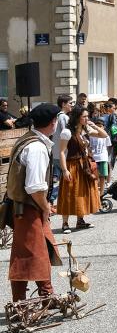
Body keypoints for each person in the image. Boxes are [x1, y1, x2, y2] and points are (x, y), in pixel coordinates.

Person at [4, 103, 63, 302]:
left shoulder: (27, 139)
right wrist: (46, 208)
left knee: (41, 250)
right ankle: (19, 302)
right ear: (53, 123)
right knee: (27, 256)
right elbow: (35, 187)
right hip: (28, 208)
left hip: (25, 206)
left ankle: (47, 294)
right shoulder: (37, 147)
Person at [58, 106, 107, 232]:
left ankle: (80, 221)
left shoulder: (85, 130)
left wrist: (95, 126)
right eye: (84, 116)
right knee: (69, 193)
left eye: (87, 116)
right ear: (77, 117)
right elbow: (62, 152)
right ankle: (65, 223)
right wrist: (64, 170)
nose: (87, 118)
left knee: (82, 193)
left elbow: (104, 135)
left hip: (84, 165)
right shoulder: (67, 132)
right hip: (72, 165)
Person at [48, 94, 73, 212]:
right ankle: (53, 202)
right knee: (62, 179)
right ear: (63, 104)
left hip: (56, 152)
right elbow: (66, 133)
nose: (72, 105)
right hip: (63, 153)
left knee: (56, 179)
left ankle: (51, 202)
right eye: (70, 103)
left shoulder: (57, 116)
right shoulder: (63, 117)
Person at [89, 118, 111, 195]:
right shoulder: (92, 135)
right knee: (95, 177)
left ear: (103, 127)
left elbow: (108, 147)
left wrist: (107, 157)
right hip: (94, 158)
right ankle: (95, 193)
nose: (98, 127)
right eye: (97, 126)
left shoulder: (106, 136)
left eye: (100, 126)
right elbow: (90, 147)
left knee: (102, 177)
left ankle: (101, 194)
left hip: (103, 158)